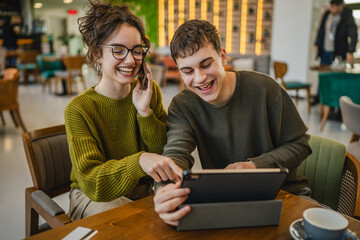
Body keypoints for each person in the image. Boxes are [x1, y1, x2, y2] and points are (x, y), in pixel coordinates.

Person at [153, 19, 312, 226]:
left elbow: (301, 144)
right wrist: (164, 190)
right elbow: (175, 154)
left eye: (206, 64)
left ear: (223, 56)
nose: (199, 78)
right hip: (229, 201)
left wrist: (255, 166)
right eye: (188, 71)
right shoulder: (182, 105)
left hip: (285, 195)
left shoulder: (265, 88)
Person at [65, 0, 181, 221]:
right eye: (118, 50)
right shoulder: (79, 109)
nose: (130, 60)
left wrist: (144, 112)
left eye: (137, 51)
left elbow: (164, 154)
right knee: (133, 223)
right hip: (94, 197)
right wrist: (139, 161)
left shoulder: (148, 91)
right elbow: (92, 183)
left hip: (143, 191)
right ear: (97, 54)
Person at [315, 0, 358, 65]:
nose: (331, 9)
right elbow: (321, 30)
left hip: (338, 52)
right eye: (331, 6)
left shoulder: (347, 17)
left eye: (333, 7)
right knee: (323, 72)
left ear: (340, 6)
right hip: (324, 51)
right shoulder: (327, 14)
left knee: (336, 73)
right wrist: (317, 43)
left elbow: (353, 35)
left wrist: (351, 52)